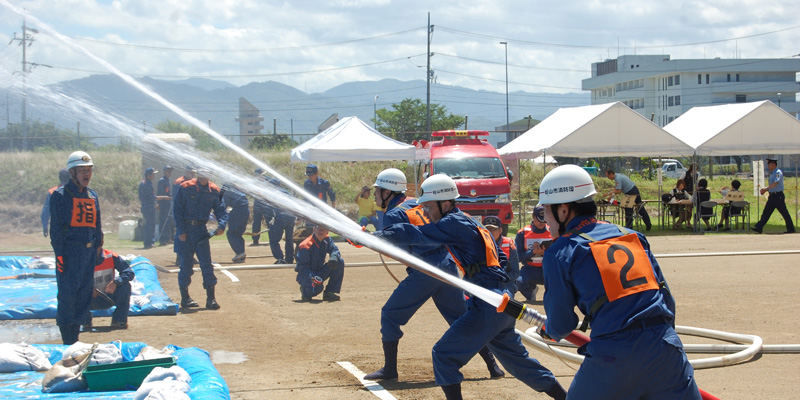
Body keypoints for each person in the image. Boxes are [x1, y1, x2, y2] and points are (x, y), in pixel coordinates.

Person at [376, 174, 566, 400]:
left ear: (445, 203)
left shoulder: (452, 223)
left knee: (444, 355)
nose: (425, 213)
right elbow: (501, 262)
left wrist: (376, 236)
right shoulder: (466, 220)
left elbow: (416, 234)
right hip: (499, 299)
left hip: (488, 303)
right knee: (519, 363)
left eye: (428, 207)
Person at [538, 164, 700, 400]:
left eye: (546, 212)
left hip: (614, 357)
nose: (546, 222)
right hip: (666, 348)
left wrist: (548, 331)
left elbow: (562, 324)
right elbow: (666, 299)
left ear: (564, 210)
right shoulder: (632, 235)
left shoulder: (561, 251)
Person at [363, 168, 505, 382]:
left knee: (390, 315)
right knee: (461, 319)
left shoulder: (393, 214)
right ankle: (493, 367)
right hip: (447, 266)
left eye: (378, 190)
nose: (374, 195)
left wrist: (367, 239)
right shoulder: (415, 201)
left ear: (388, 192)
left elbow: (397, 242)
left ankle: (390, 370)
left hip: (426, 269)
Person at [49, 151, 104, 345]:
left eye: (89, 170)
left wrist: (99, 247)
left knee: (83, 295)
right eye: (82, 170)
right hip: (70, 253)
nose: (86, 174)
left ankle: (76, 338)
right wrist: (60, 255)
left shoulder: (92, 195)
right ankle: (68, 341)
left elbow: (97, 224)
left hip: (88, 253)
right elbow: (55, 228)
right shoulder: (60, 196)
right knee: (68, 296)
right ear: (72, 172)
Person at [173, 169, 228, 310]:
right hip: (186, 229)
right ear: (198, 174)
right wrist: (181, 230)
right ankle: (185, 298)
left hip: (201, 231)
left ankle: (211, 299)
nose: (204, 176)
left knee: (206, 264)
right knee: (186, 265)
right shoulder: (186, 187)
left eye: (207, 173)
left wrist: (222, 225)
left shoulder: (214, 190)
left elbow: (221, 210)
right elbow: (177, 210)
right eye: (201, 173)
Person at [86, 248, 135, 330]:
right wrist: (88, 288)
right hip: (88, 299)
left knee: (125, 286)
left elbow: (129, 273)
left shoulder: (111, 256)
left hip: (108, 296)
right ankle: (84, 321)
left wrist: (115, 282)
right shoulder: (80, 257)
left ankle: (119, 320)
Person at [295, 225, 344, 302]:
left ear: (327, 232)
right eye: (319, 229)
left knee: (339, 262)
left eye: (323, 230)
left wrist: (334, 257)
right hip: (306, 274)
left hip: (319, 271)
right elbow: (302, 268)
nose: (321, 232)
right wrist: (313, 278)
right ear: (314, 229)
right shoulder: (306, 245)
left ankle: (329, 292)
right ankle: (305, 291)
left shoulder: (327, 239)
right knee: (316, 290)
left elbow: (334, 250)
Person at [514, 206, 552, 303]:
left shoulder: (552, 230)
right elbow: (518, 257)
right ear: (533, 216)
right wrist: (532, 252)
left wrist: (545, 253)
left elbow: (559, 255)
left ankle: (552, 296)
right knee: (518, 281)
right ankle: (531, 292)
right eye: (539, 220)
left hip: (548, 268)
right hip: (529, 269)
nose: (542, 223)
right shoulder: (522, 233)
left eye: (544, 220)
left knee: (561, 281)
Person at [752, 158, 795, 234]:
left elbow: (776, 183)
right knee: (766, 212)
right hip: (772, 196)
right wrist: (766, 190)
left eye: (769, 164)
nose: (768, 166)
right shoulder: (772, 173)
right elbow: (773, 186)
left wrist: (766, 188)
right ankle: (759, 227)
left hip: (778, 196)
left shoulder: (778, 172)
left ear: (773, 164)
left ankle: (791, 229)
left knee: (784, 213)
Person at [484, 215, 519, 295]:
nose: (490, 232)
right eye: (487, 229)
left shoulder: (510, 245)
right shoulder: (478, 244)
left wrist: (499, 278)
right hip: (485, 282)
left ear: (500, 230)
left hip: (506, 283)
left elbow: (515, 273)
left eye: (493, 229)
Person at [265, 178, 297, 264]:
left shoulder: (272, 193)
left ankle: (280, 258)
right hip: (291, 217)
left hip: (280, 217)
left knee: (274, 240)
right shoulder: (288, 193)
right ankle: (290, 258)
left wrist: (270, 222)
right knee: (289, 239)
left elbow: (269, 209)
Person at [172, 166, 196, 265]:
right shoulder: (179, 181)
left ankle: (190, 256)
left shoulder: (194, 182)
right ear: (187, 171)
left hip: (191, 211)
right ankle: (179, 257)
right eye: (192, 172)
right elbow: (178, 198)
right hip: (182, 212)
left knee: (192, 236)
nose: (194, 175)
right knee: (180, 234)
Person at [222, 184, 249, 263]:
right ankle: (241, 255)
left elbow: (224, 205)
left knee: (231, 233)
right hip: (245, 212)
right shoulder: (239, 192)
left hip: (237, 212)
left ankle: (239, 252)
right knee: (238, 234)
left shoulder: (227, 192)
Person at [41, 169, 70, 237]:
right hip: (73, 226)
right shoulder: (76, 191)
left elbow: (46, 211)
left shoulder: (52, 192)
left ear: (59, 178)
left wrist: (45, 227)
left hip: (57, 226)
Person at [138, 167, 158, 249]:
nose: (154, 176)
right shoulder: (146, 184)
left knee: (150, 224)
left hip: (148, 206)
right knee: (150, 225)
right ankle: (148, 242)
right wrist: (164, 197)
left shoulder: (147, 183)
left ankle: (150, 241)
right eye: (153, 174)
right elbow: (151, 197)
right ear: (149, 175)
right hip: (148, 207)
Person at [250, 168, 269, 246]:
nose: (264, 176)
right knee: (256, 222)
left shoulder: (266, 182)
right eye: (262, 175)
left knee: (269, 222)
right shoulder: (254, 183)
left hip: (267, 204)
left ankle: (272, 239)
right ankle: (255, 240)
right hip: (258, 204)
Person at [156, 165, 174, 246]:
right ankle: (162, 239)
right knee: (163, 220)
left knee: (168, 221)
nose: (169, 172)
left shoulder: (168, 180)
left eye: (170, 171)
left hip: (168, 203)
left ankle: (168, 238)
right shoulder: (162, 181)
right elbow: (159, 193)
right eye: (168, 171)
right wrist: (159, 203)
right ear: (164, 171)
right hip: (163, 203)